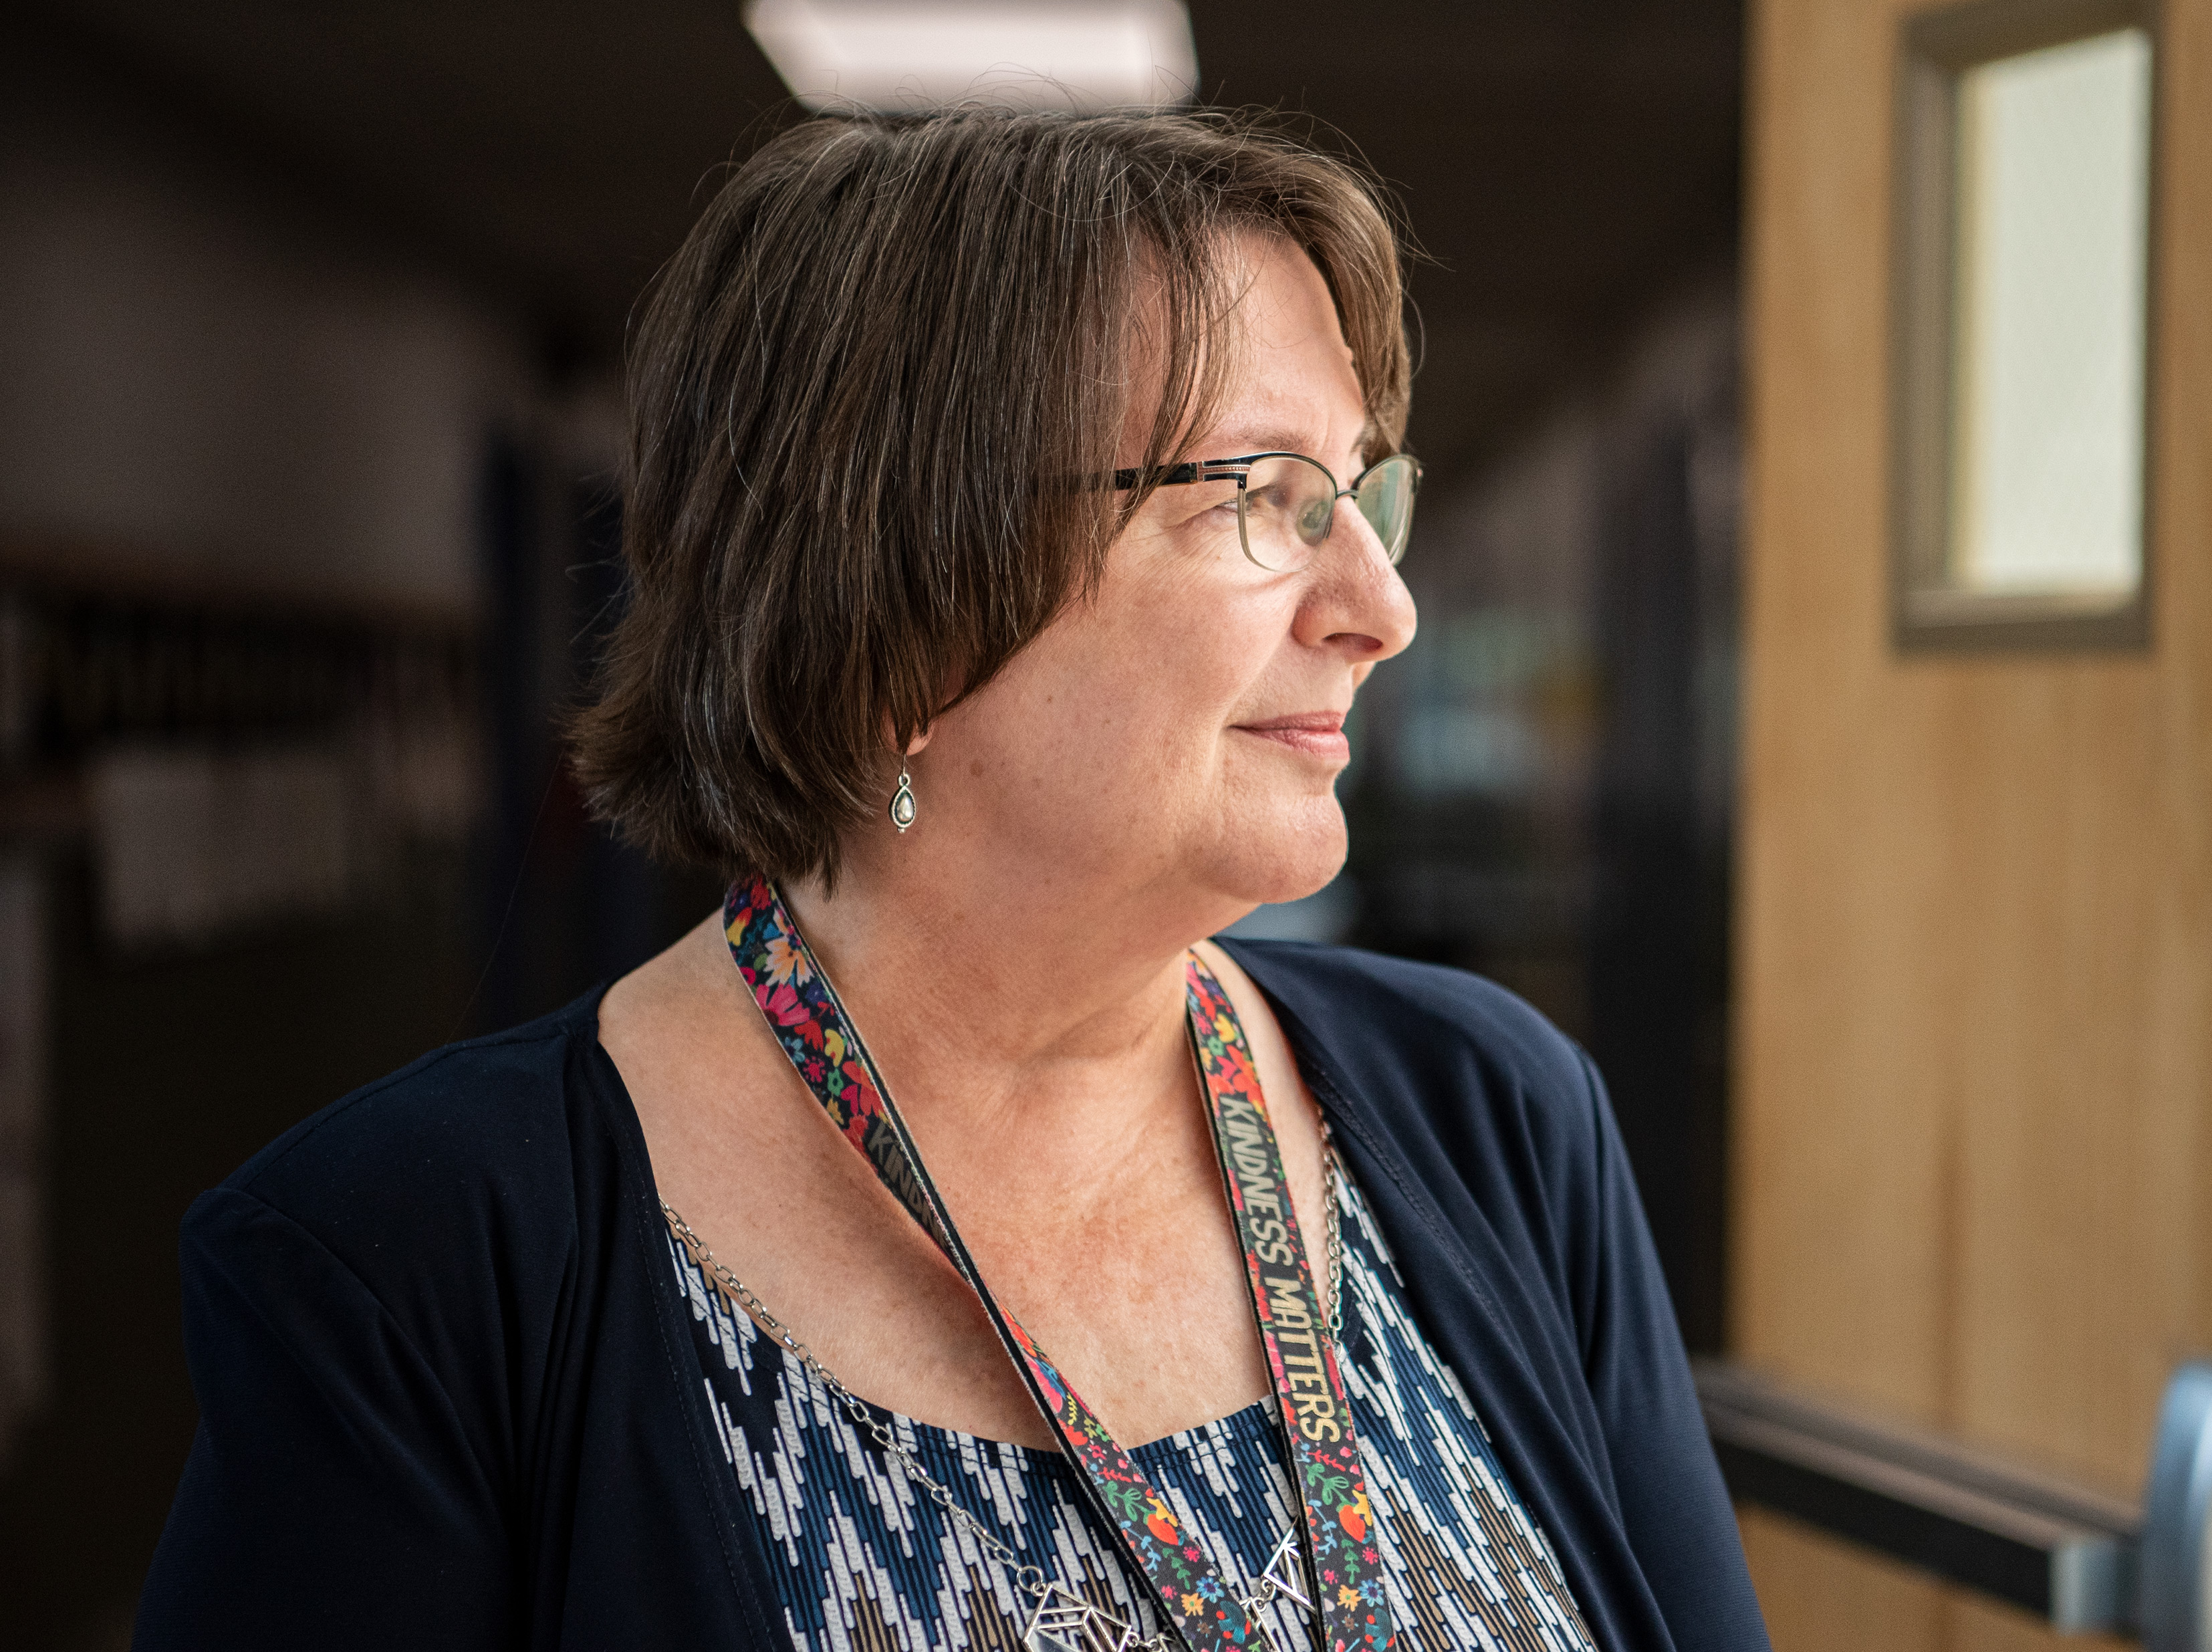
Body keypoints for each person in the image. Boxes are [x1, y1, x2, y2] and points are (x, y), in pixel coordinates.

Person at [134, 108, 1769, 1652]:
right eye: (1267, 497)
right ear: (906, 588)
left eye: (1362, 493)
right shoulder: (414, 1264)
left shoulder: (1496, 1116)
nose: (1380, 602)